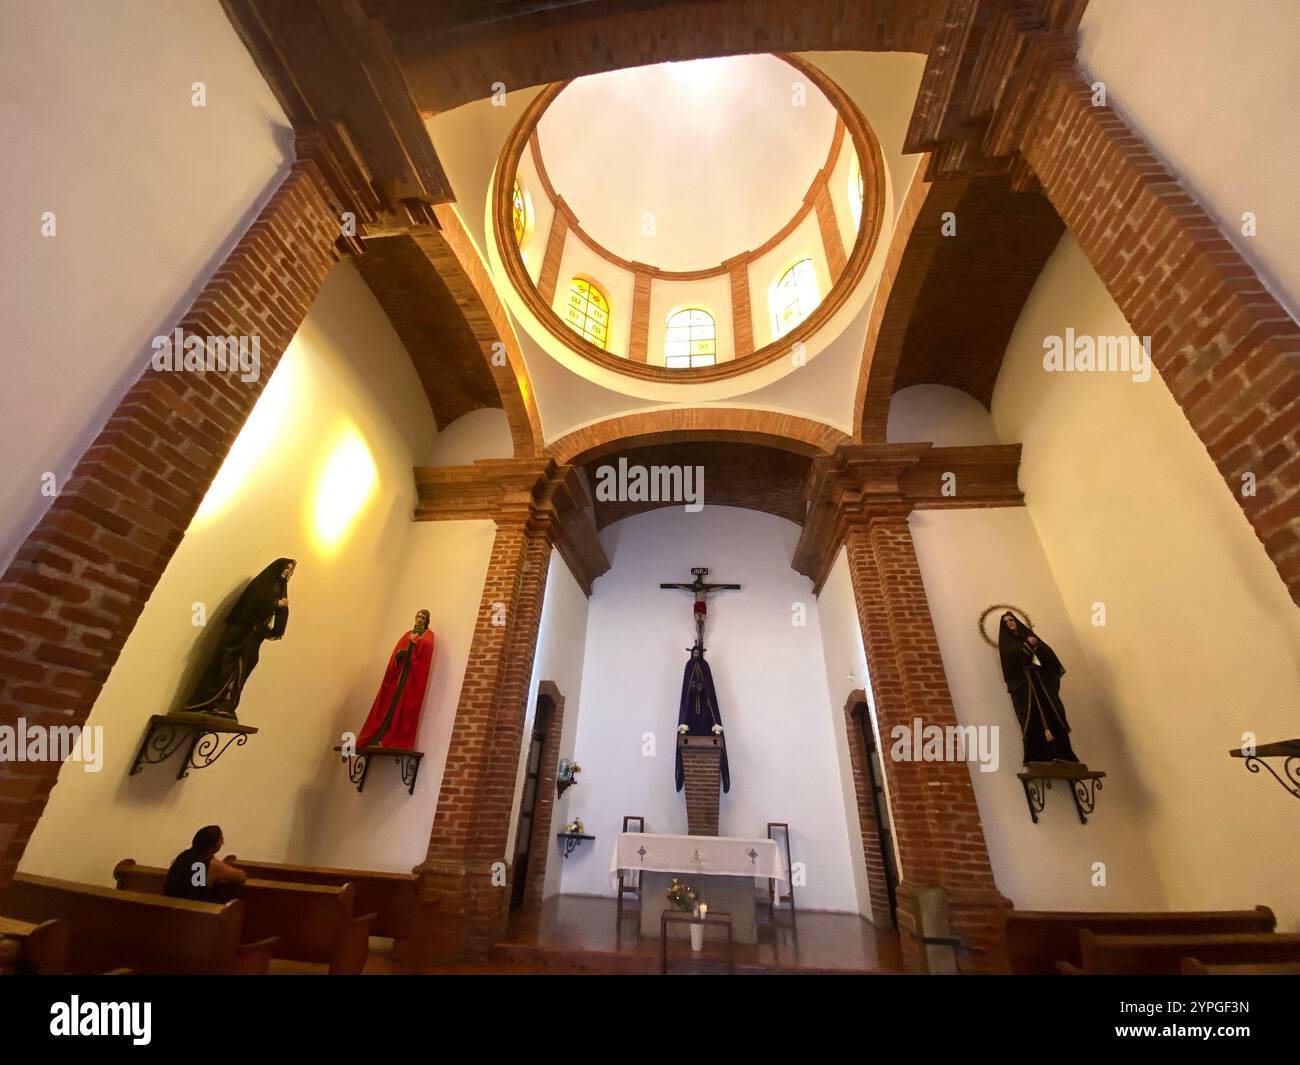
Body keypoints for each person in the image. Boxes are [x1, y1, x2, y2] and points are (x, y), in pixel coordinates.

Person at [182, 558, 295, 718]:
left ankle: (227, 704)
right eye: (287, 569)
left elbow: (279, 612)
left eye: (291, 571)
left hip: (254, 637)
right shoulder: (262, 585)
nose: (288, 573)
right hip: (241, 633)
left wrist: (278, 616)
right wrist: (276, 603)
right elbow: (256, 601)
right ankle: (209, 702)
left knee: (245, 668)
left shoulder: (280, 587)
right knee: (225, 664)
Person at [997, 611, 1079, 764]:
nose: (1010, 623)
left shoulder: (1029, 636)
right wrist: (1028, 646)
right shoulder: (1007, 644)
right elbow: (1013, 663)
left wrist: (1035, 646)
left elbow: (1047, 656)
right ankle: (1039, 756)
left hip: (1041, 685)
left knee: (1053, 714)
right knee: (1033, 718)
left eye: (1011, 620)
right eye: (1006, 622)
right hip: (1026, 688)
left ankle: (1063, 753)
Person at [163, 825, 246, 903]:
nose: (223, 842)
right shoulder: (211, 864)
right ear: (214, 844)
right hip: (198, 911)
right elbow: (240, 876)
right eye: (221, 839)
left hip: (172, 907)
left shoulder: (183, 855)